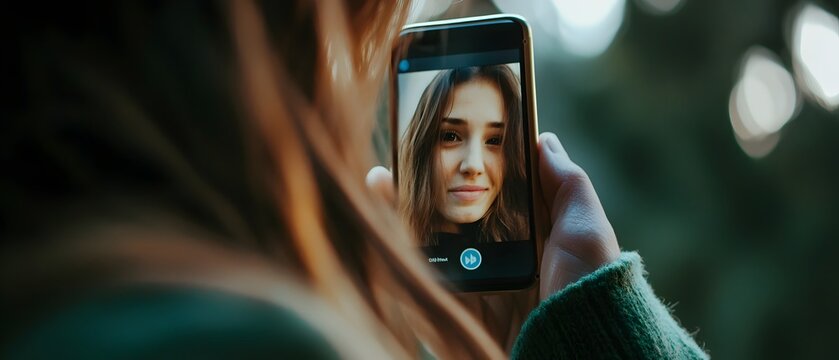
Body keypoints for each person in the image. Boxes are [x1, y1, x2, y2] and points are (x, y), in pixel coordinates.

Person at [1, 1, 708, 359]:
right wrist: (608, 341)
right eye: (354, 41)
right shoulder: (232, 340)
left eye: (496, 140)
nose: (345, 89)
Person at [399, 65, 529, 247]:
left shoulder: (537, 243)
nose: (473, 166)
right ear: (422, 147)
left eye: (495, 140)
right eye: (450, 136)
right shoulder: (387, 243)